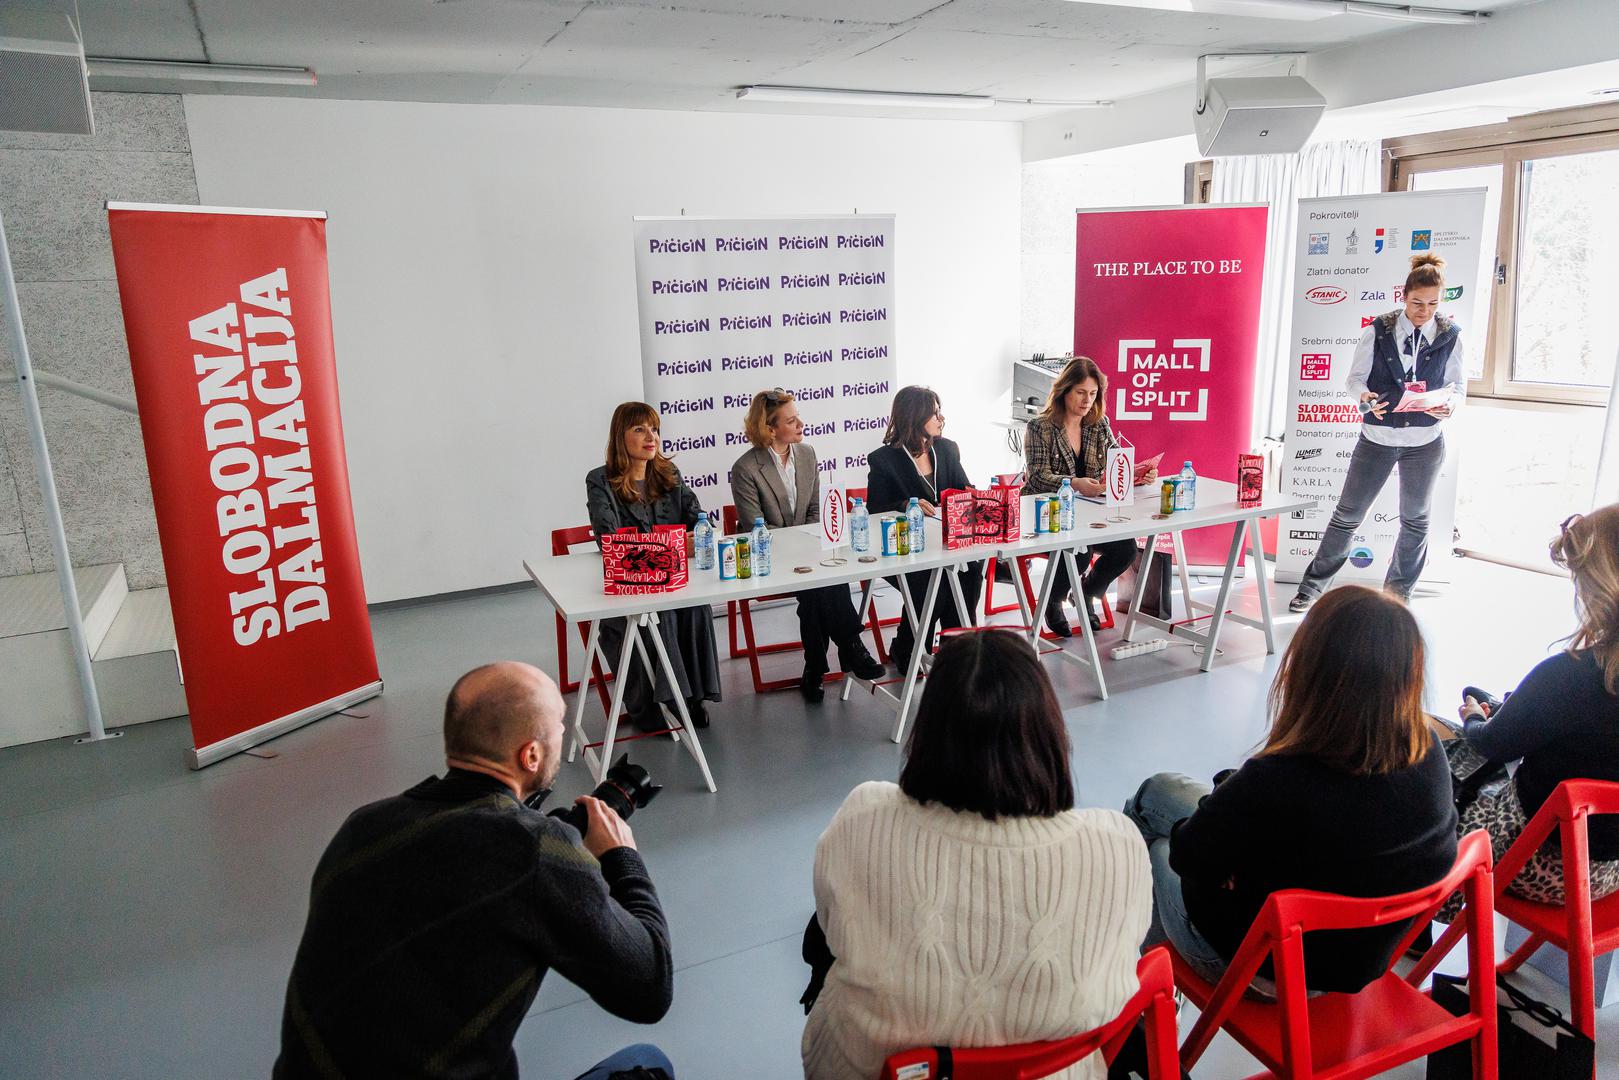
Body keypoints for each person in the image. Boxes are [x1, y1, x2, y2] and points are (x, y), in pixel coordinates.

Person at [274, 662, 675, 1080]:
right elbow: (651, 988)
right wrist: (622, 856)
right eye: (559, 724)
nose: (563, 730)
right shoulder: (534, 850)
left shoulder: (362, 825)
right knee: (649, 1061)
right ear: (531, 755)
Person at [802, 630, 1152, 1080]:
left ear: (927, 730)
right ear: (1048, 732)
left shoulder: (864, 818)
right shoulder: (1118, 848)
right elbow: (1116, 992)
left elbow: (831, 926)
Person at [1123, 586, 1457, 993]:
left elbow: (1188, 858)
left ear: (1310, 669)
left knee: (1156, 850)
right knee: (1160, 792)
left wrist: (1223, 849)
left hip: (1264, 970)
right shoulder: (1427, 749)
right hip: (1360, 960)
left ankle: (1147, 995)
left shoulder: (1282, 777)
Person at [1444, 506, 1619, 906]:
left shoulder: (1571, 675)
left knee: (1425, 756)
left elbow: (1494, 744)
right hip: (1612, 872)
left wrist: (1474, 719)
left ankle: (1401, 918)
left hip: (1540, 864)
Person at [1290, 254, 1465, 612]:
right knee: (1347, 515)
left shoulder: (1450, 336)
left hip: (1425, 443)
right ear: (1403, 296)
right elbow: (1354, 380)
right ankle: (1312, 588)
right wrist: (1365, 397)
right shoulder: (1378, 330)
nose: (1424, 311)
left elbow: (1457, 386)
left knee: (1416, 520)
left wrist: (1450, 405)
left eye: (1433, 304)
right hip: (1377, 439)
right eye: (1417, 303)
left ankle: (1397, 597)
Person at [730, 388, 886, 703]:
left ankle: (815, 666)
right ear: (769, 429)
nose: (801, 424)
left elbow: (816, 509)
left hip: (810, 550)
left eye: (797, 417)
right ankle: (851, 645)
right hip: (772, 555)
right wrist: (801, 545)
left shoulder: (807, 454)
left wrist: (810, 543)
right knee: (823, 581)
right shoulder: (745, 468)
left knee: (821, 583)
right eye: (791, 420)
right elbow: (756, 526)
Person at [586, 401, 722, 732]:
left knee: (696, 607)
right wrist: (673, 546)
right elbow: (609, 540)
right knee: (661, 615)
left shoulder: (669, 474)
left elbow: (700, 521)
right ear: (621, 436)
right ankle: (659, 704)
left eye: (655, 429)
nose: (652, 437)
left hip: (672, 581)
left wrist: (699, 532)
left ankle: (693, 698)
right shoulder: (600, 480)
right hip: (630, 589)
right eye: (640, 429)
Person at [1023, 356, 1160, 636]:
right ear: (1064, 391)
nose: (1087, 401)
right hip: (1047, 516)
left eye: (1093, 393)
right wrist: (1074, 484)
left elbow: (1117, 462)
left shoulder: (1099, 424)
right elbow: (1037, 477)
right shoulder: (1039, 427)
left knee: (1126, 549)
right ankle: (1053, 600)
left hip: (1089, 516)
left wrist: (1138, 473)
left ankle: (1086, 592)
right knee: (1080, 550)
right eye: (1081, 392)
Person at [865, 385, 984, 671]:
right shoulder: (883, 460)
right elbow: (875, 509)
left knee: (970, 569)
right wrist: (906, 504)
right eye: (934, 414)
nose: (941, 419)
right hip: (903, 550)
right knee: (934, 581)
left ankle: (957, 648)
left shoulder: (947, 449)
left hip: (944, 545)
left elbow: (963, 488)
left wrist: (972, 494)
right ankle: (910, 646)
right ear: (915, 417)